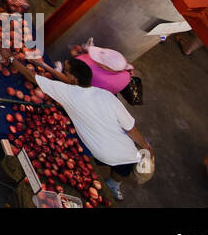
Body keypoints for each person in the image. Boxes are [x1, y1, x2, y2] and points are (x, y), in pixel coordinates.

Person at [8, 56, 151, 202]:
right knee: (126, 160)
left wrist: (12, 59)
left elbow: (32, 76)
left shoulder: (66, 92)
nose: (64, 71)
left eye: (66, 71)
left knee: (97, 152)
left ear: (75, 79)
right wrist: (146, 146)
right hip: (126, 153)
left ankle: (108, 180)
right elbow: (131, 129)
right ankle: (113, 185)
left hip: (97, 152)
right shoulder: (107, 95)